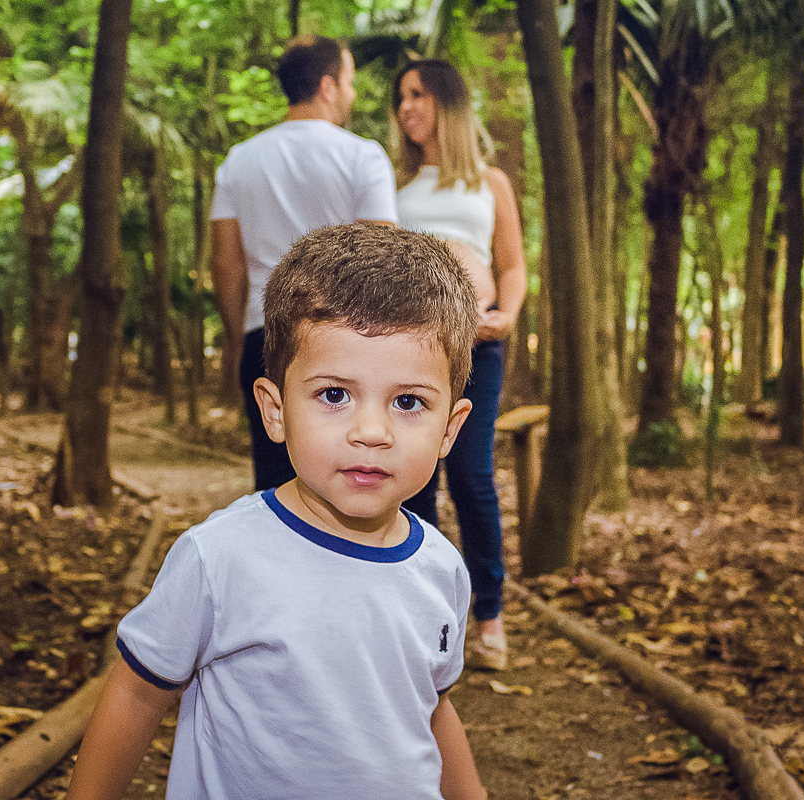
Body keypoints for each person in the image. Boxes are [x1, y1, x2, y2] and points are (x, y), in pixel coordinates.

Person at [66, 224, 488, 800]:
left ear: (450, 428)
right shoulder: (219, 558)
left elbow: (432, 710)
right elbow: (137, 695)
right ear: (275, 410)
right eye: (334, 395)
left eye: (408, 402)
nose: (371, 432)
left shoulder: (442, 568)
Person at [210, 35, 398, 491]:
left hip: (266, 335)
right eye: (349, 82)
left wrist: (240, 340)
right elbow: (382, 256)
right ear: (328, 86)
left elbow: (226, 266)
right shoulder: (362, 156)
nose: (352, 95)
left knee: (275, 485)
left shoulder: (238, 162)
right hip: (344, 338)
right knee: (346, 479)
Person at [393, 60, 528, 672]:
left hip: (478, 344)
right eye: (401, 97)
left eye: (418, 94)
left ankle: (491, 615)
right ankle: (426, 618)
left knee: (471, 476)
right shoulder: (394, 187)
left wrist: (508, 312)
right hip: (413, 349)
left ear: (448, 102)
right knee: (418, 477)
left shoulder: (490, 182)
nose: (406, 107)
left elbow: (513, 264)